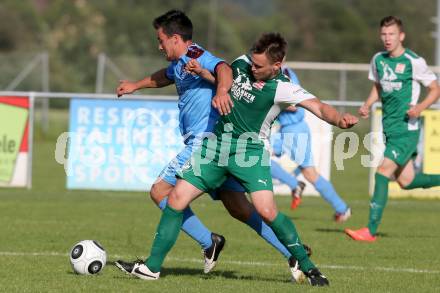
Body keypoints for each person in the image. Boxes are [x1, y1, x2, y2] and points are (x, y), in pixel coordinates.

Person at [116, 32, 358, 286]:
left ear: (277, 65)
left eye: (259, 66)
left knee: (266, 210)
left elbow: (319, 107)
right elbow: (222, 79)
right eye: (252, 62)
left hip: (248, 153)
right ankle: (152, 268)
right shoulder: (243, 62)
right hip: (215, 147)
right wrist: (202, 73)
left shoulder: (284, 87)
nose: (252, 68)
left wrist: (339, 119)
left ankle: (308, 267)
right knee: (175, 198)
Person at [345, 16, 440, 242]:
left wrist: (419, 108)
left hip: (407, 129)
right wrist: (368, 104)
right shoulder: (378, 59)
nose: (387, 39)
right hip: (390, 128)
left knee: (382, 173)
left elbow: (435, 89)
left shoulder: (413, 61)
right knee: (406, 181)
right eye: (384, 35)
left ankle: (370, 230)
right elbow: (378, 86)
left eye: (392, 34)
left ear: (401, 36)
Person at [270, 67, 352, 222]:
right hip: (285, 130)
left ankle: (342, 208)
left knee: (310, 173)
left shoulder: (285, 75)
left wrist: (270, 100)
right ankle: (295, 184)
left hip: (294, 130)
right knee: (260, 157)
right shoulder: (284, 72)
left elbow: (294, 106)